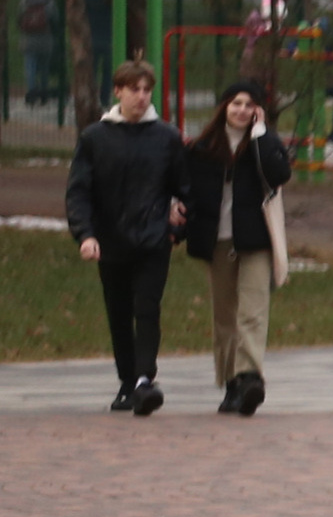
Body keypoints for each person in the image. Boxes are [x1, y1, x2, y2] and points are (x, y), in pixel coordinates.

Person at [64, 60, 183, 415]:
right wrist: (85, 234)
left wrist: (177, 228)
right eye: (135, 90)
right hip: (112, 241)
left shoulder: (166, 137)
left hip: (152, 241)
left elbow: (184, 187)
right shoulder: (95, 138)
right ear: (118, 91)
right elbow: (79, 192)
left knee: (147, 308)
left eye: (147, 90)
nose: (142, 97)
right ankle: (127, 382)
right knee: (119, 313)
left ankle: (145, 380)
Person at [183, 81, 291, 417]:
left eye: (249, 105)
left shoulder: (264, 144)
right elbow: (189, 190)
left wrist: (261, 136)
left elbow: (279, 174)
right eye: (236, 104)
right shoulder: (203, 147)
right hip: (218, 240)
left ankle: (249, 379)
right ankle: (230, 382)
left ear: (258, 110)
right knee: (225, 315)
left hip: (255, 240)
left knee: (253, 311)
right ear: (224, 107)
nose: (242, 110)